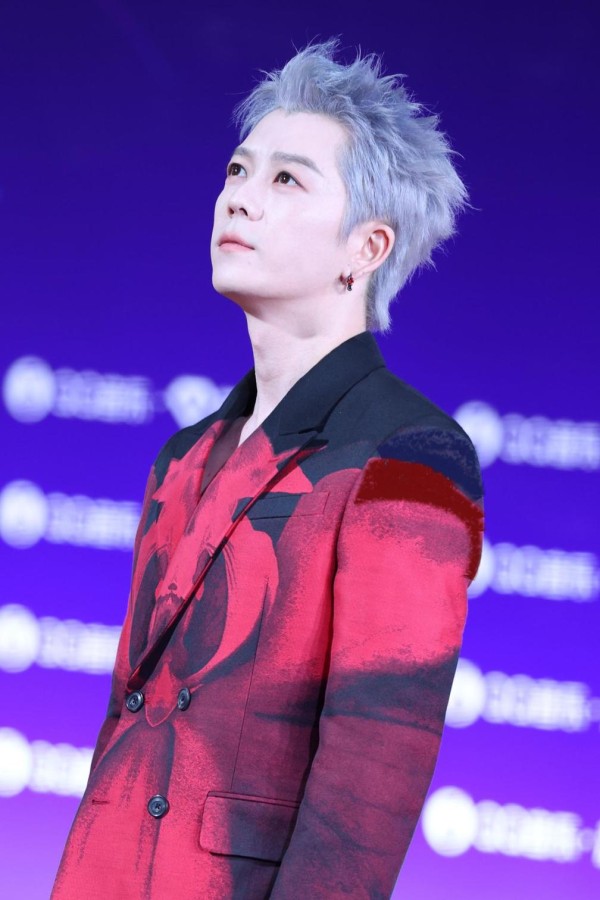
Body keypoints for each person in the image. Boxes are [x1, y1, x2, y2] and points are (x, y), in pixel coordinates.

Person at [52, 39, 484, 899]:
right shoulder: (184, 456)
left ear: (367, 247)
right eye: (238, 170)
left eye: (287, 180)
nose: (239, 197)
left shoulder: (411, 451)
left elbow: (373, 777)